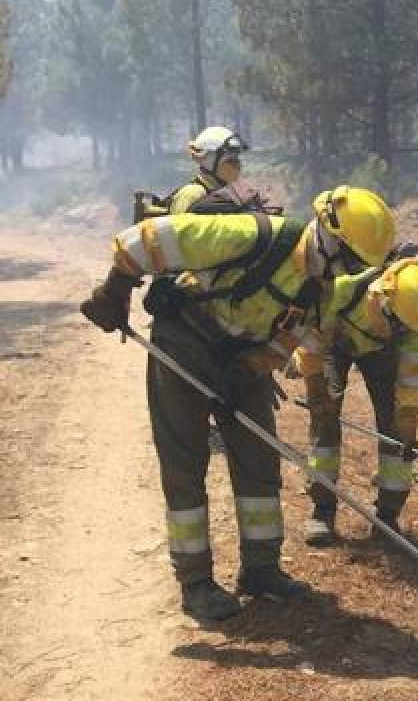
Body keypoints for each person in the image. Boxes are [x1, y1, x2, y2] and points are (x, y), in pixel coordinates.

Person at [79, 186, 395, 621]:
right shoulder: (255, 236)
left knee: (259, 462)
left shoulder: (321, 290)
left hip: (239, 361)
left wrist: (245, 375)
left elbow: (286, 342)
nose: (348, 272)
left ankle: (261, 571)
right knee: (185, 465)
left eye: (360, 266)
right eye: (348, 259)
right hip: (184, 342)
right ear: (326, 232)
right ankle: (196, 583)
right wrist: (115, 290)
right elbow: (143, 239)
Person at [297, 253, 418, 546]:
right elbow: (312, 336)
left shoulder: (417, 320)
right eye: (396, 323)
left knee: (394, 432)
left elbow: (412, 377)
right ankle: (322, 509)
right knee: (326, 417)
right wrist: (315, 385)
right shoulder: (345, 288)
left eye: (406, 328)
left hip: (381, 355)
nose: (401, 331)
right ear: (382, 300)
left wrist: (407, 421)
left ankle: (387, 517)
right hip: (334, 345)